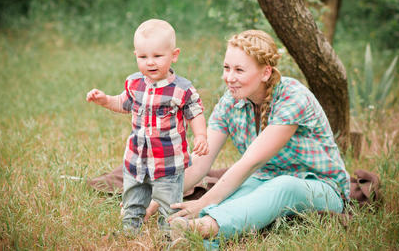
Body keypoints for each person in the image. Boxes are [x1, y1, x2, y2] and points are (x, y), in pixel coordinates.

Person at [145, 29, 350, 243]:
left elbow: (250, 163)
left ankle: (203, 228)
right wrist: (156, 197)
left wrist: (202, 203)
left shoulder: (293, 97)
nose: (229, 78)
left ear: (265, 73)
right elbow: (199, 161)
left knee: (283, 186)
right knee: (235, 194)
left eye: (239, 70)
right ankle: (194, 230)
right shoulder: (231, 101)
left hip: (322, 188)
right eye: (226, 68)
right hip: (263, 180)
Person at [86, 19, 208, 235]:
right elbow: (123, 103)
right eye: (143, 57)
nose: (150, 62)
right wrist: (105, 100)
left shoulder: (181, 89)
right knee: (133, 197)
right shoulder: (134, 83)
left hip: (168, 163)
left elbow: (195, 111)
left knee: (167, 203)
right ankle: (130, 229)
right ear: (136, 56)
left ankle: (169, 236)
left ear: (174, 55)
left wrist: (201, 136)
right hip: (136, 159)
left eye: (157, 56)